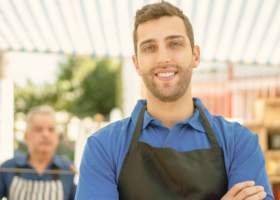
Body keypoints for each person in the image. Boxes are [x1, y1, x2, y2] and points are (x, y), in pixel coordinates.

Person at [75, 2, 273, 200]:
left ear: (195, 56)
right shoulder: (103, 147)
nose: (163, 58)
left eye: (175, 44)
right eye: (149, 47)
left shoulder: (240, 143)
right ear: (136, 64)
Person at [0, 105, 76, 200]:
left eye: (51, 130)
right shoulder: (7, 167)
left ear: (57, 138)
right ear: (26, 137)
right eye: (38, 129)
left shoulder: (71, 170)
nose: (45, 134)